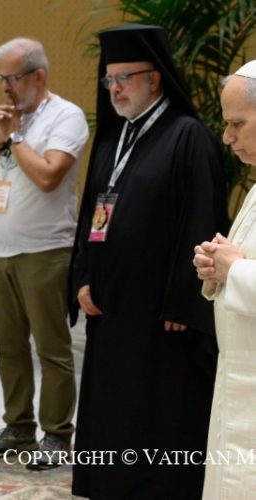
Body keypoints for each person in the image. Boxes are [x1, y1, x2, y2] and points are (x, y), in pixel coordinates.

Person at [70, 24, 229, 498]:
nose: (114, 88)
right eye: (109, 79)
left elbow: (202, 220)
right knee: (113, 405)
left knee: (157, 410)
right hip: (110, 306)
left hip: (162, 315)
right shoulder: (113, 138)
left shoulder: (188, 136)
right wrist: (82, 277)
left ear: (155, 78)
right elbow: (91, 215)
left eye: (124, 78)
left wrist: (185, 301)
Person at [0, 37, 89, 469]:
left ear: (38, 76)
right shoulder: (3, 121)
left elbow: (49, 177)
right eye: (0, 78)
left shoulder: (66, 116)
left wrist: (15, 136)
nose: (5, 87)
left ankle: (56, 434)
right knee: (8, 348)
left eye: (13, 78)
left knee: (51, 349)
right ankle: (18, 426)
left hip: (45, 250)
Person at [193, 61, 256, 499]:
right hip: (238, 373)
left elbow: (242, 267)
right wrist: (217, 267)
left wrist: (234, 268)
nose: (227, 137)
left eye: (237, 123)